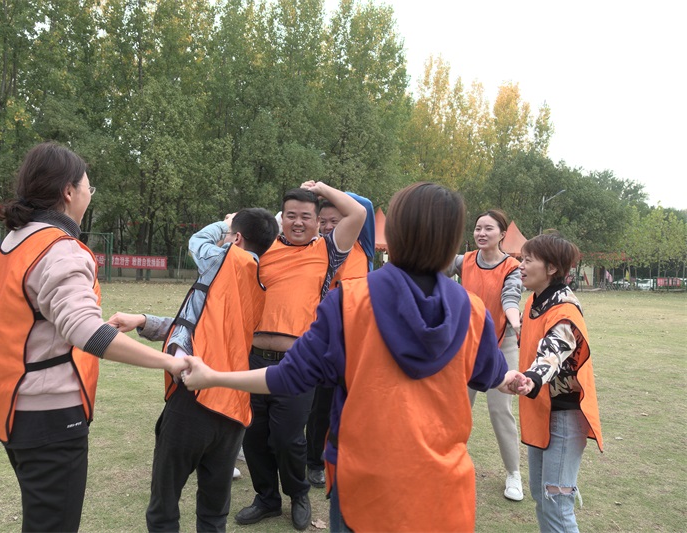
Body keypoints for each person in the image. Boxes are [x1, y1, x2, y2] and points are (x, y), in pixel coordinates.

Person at [182, 182, 527, 532]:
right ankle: (270, 495)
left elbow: (289, 376)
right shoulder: (472, 311)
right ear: (453, 239)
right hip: (442, 490)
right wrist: (511, 378)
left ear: (394, 232)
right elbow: (491, 373)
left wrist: (214, 377)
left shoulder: (349, 301)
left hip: (363, 485)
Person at [0, 142, 188, 533]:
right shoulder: (61, 250)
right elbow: (86, 331)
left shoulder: (16, 240)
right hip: (49, 416)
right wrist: (170, 361)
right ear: (69, 192)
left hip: (13, 407)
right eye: (89, 187)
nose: (90, 195)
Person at [108, 209, 279, 532]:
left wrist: (227, 223)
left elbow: (197, 240)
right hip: (233, 406)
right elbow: (197, 326)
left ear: (237, 240)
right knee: (214, 514)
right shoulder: (255, 284)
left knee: (164, 506)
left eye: (228, 237)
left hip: (194, 399)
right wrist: (144, 320)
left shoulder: (229, 260)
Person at [237, 181, 366, 530]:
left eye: (306, 217)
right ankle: (266, 497)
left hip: (299, 363)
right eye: (291, 215)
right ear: (281, 218)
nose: (298, 222)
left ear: (317, 221)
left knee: (287, 437)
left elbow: (359, 213)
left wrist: (322, 187)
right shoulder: (261, 247)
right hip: (253, 357)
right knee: (253, 434)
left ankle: (298, 494)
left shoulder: (328, 250)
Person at [513, 232, 603, 532]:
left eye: (528, 259)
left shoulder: (564, 309)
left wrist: (532, 377)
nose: (521, 265)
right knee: (542, 496)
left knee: (556, 502)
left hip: (565, 417)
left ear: (551, 268)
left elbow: (554, 350)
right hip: (541, 410)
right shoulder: (534, 302)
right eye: (521, 258)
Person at [448, 209, 525, 501]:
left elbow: (510, 298)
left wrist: (516, 323)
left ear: (502, 234)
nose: (481, 233)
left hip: (502, 344)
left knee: (499, 409)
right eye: (478, 228)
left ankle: (514, 475)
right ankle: (451, 465)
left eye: (488, 229)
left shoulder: (512, 267)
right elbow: (432, 271)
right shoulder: (463, 260)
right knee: (457, 408)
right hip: (466, 344)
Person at [305, 193, 375, 488]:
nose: (329, 227)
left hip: (358, 339)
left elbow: (365, 207)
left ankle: (347, 455)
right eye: (324, 221)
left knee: (352, 403)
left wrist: (322, 189)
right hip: (323, 338)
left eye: (337, 221)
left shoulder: (364, 245)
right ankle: (313, 462)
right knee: (319, 406)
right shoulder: (317, 248)